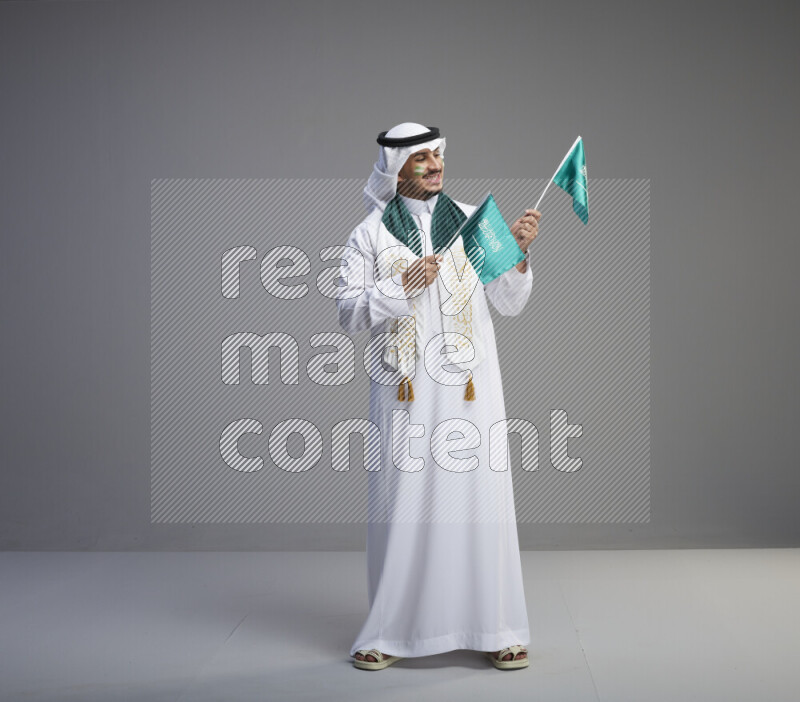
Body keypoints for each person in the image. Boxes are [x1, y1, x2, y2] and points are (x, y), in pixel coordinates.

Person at [335, 122, 540, 671]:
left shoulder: (477, 223)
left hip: (472, 391)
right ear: (394, 168)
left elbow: (510, 301)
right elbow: (348, 312)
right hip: (403, 394)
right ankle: (390, 630)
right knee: (402, 504)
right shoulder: (371, 234)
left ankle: (496, 627)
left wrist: (516, 254)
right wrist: (401, 286)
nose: (434, 164)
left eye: (438, 155)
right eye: (420, 157)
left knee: (481, 499)